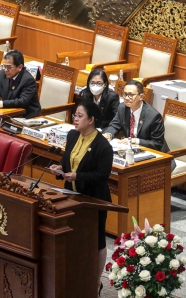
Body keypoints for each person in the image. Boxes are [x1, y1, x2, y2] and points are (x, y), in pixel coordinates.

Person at [49, 101, 113, 297]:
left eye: (79, 116)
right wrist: (60, 169)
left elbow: (102, 175)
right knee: (75, 237)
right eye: (74, 115)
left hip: (94, 199)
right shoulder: (72, 135)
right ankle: (78, 277)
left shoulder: (103, 146)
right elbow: (68, 159)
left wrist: (77, 176)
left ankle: (95, 283)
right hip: (72, 196)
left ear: (91, 120)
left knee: (97, 240)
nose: (74, 119)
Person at [102, 80, 169, 152]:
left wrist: (135, 141)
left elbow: (157, 144)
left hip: (156, 155)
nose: (127, 98)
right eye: (125, 94)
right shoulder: (122, 108)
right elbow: (114, 125)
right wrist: (108, 134)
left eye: (131, 95)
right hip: (132, 150)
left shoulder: (154, 116)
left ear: (141, 97)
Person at [0, 49, 41, 118]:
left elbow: (23, 101)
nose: (6, 70)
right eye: (4, 66)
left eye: (9, 67)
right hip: (8, 112)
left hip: (26, 116)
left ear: (19, 67)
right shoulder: (2, 74)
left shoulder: (28, 80)